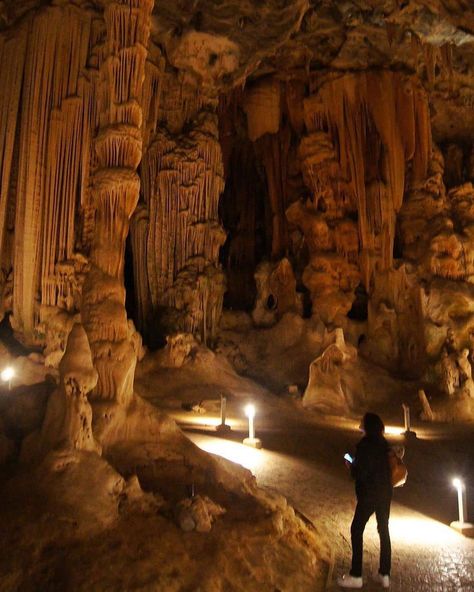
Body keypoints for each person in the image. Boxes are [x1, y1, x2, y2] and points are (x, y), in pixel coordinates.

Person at [338, 413, 392, 589]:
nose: (359, 423)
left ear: (367, 426)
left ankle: (356, 575)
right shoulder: (384, 444)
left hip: (369, 493)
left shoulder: (365, 446)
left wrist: (351, 466)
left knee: (356, 529)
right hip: (385, 492)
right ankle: (384, 574)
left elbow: (361, 473)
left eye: (362, 422)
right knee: (383, 530)